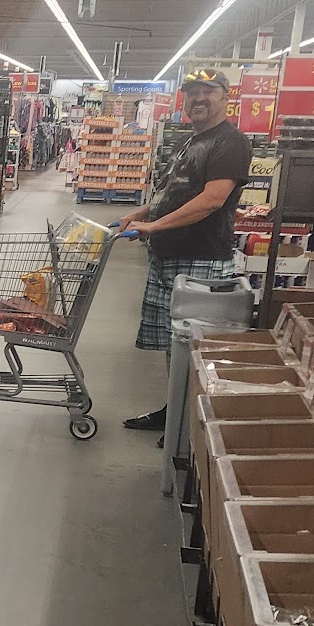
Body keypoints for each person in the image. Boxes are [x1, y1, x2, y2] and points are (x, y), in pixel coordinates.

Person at [122, 69, 252, 433]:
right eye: (192, 91)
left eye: (208, 91)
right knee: (174, 345)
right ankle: (176, 413)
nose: (198, 98)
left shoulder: (230, 142)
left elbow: (213, 200)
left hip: (201, 258)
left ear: (225, 96)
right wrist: (142, 213)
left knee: (195, 347)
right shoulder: (189, 140)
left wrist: (154, 226)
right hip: (170, 256)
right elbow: (171, 194)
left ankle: (191, 426)